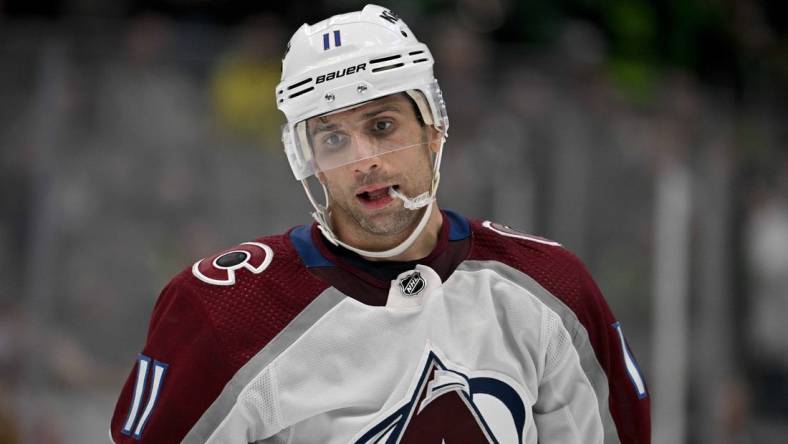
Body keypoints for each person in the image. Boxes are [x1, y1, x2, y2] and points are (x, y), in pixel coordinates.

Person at [110, 5, 650, 443]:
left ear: (434, 127)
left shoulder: (550, 288)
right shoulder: (224, 309)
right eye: (333, 138)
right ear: (307, 161)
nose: (362, 159)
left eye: (383, 125)